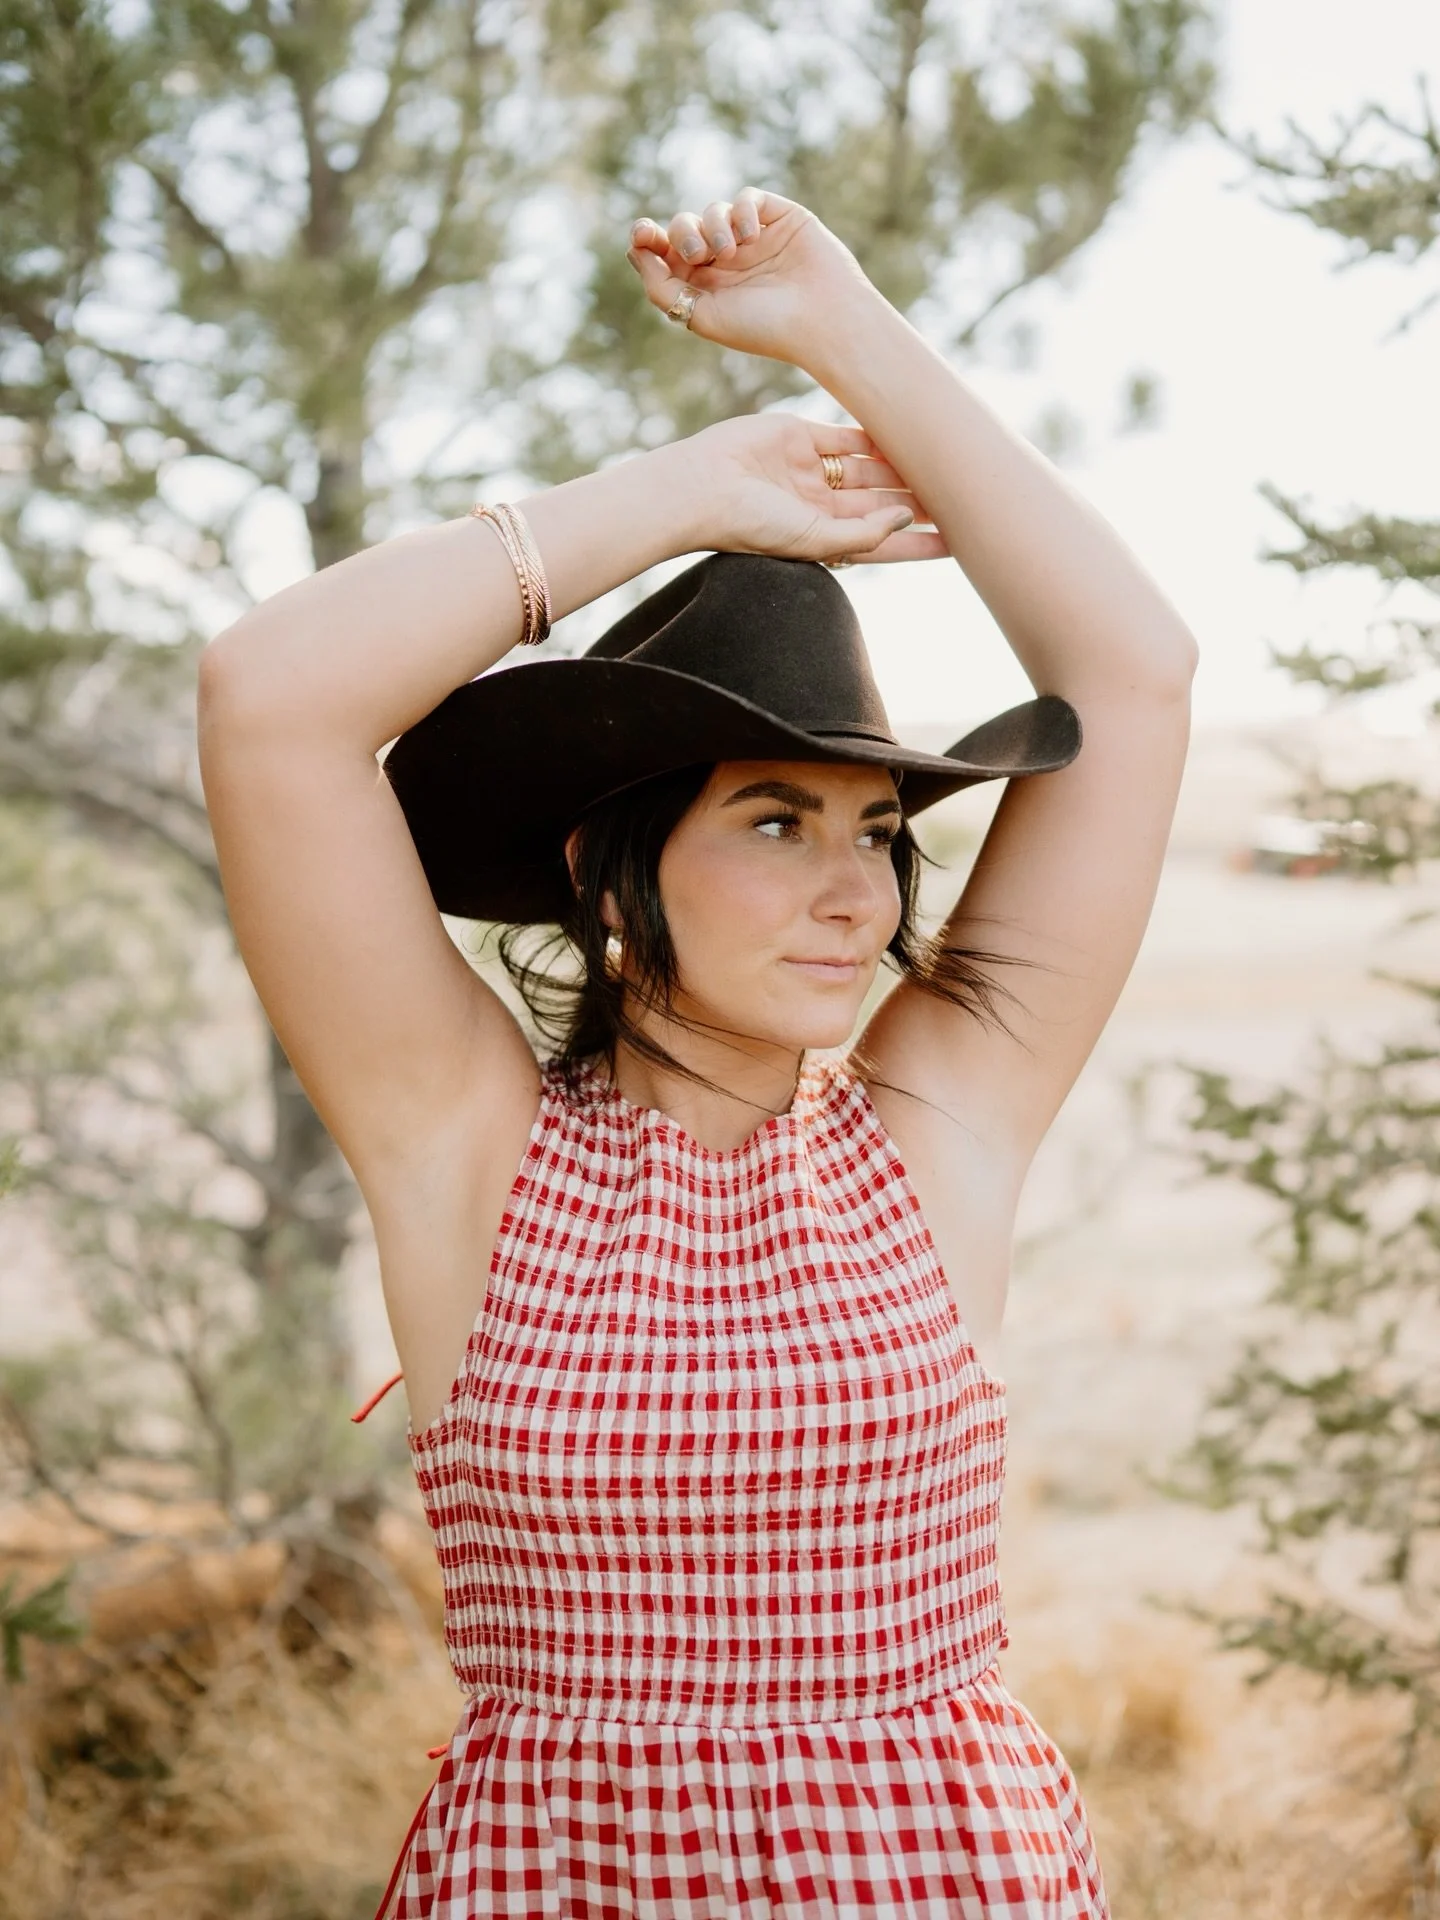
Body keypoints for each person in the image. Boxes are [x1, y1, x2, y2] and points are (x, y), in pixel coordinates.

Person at [197, 185, 1195, 1918]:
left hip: (939, 1880)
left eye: (879, 830)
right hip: (557, 1877)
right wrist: (680, 495)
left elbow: (1136, 667)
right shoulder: (472, 1149)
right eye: (776, 822)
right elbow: (269, 698)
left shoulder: (934, 1121)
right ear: (607, 871)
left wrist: (840, 323)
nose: (852, 890)